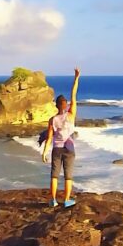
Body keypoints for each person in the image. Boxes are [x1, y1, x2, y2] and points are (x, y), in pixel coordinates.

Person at [41, 68, 80, 207]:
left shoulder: (52, 119)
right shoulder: (71, 114)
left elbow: (49, 138)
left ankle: (53, 200)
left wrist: (44, 152)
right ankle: (67, 200)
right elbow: (73, 94)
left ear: (56, 106)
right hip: (69, 149)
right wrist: (76, 78)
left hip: (57, 149)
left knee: (54, 175)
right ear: (66, 104)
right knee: (68, 176)